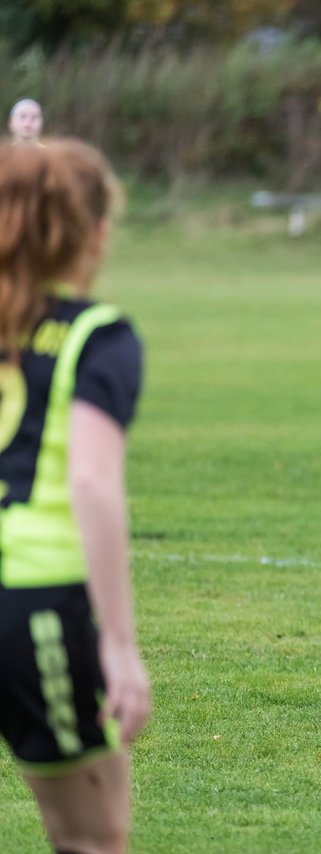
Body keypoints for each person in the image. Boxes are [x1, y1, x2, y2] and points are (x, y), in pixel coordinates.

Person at [0, 140, 150, 852]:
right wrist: (118, 646)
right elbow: (90, 480)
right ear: (94, 232)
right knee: (91, 840)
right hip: (33, 604)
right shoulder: (99, 336)